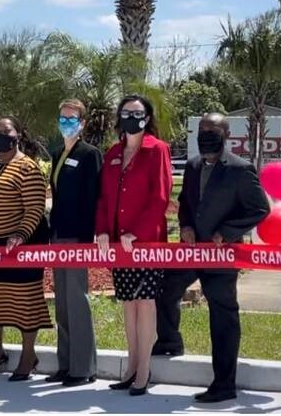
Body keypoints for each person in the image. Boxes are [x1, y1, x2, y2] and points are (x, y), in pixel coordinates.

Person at [153, 113, 269, 403]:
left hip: (220, 255)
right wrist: (186, 225)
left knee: (223, 318)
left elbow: (259, 209)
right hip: (190, 252)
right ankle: (169, 341)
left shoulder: (241, 170)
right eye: (202, 129)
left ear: (226, 135)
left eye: (213, 130)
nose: (206, 134)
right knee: (165, 289)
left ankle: (224, 384)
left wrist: (227, 232)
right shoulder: (192, 166)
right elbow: (185, 204)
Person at [96, 94, 173, 396]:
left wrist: (137, 233)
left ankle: (144, 370)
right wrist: (103, 231)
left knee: (145, 303)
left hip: (146, 242)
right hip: (118, 244)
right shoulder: (113, 152)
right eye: (126, 112)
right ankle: (130, 366)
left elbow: (161, 196)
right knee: (128, 303)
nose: (131, 117)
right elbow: (103, 197)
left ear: (147, 117)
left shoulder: (158, 150)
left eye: (137, 112)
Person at [0, 116, 52, 382]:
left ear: (18, 134)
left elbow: (35, 208)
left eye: (6, 132)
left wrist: (19, 234)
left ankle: (29, 355)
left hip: (20, 246)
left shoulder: (28, 167)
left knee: (24, 303)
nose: (0, 136)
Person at [45, 99, 102, 387]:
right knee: (63, 305)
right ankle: (66, 364)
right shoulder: (57, 154)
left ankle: (84, 368)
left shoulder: (89, 154)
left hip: (77, 237)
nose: (66, 122)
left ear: (82, 123)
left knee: (78, 302)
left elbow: (93, 199)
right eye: (62, 117)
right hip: (58, 234)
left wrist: (87, 237)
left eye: (72, 118)